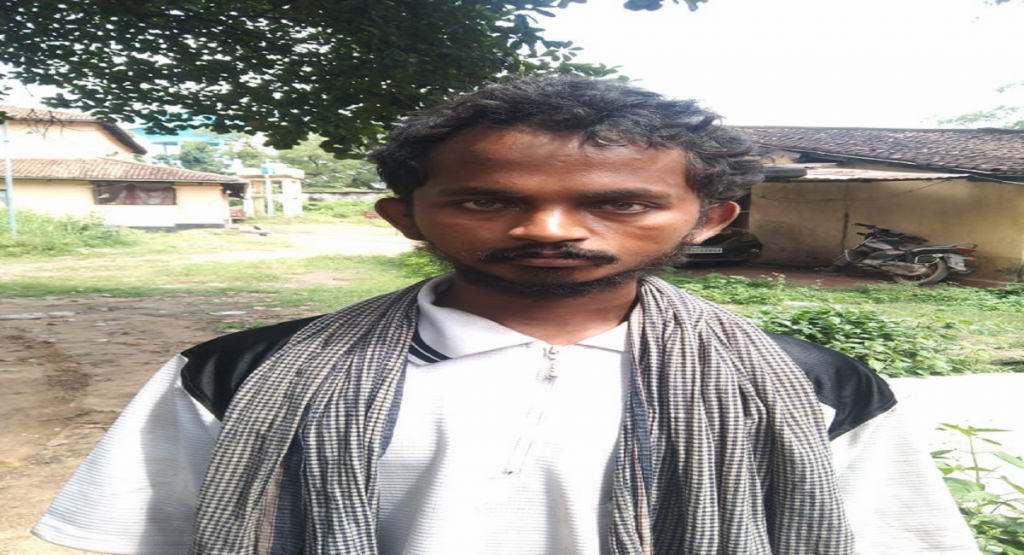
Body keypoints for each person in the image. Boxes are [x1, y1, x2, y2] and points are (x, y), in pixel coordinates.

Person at [32, 76, 978, 555]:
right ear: (406, 216)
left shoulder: (816, 386)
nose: (548, 228)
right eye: (486, 199)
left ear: (708, 218)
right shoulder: (238, 374)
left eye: (621, 201)